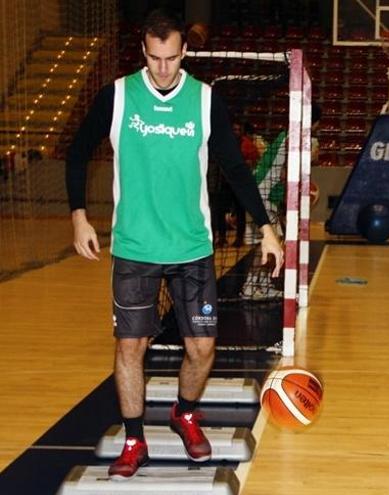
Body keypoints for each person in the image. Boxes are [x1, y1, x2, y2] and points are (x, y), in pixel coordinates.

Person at [65, 9, 284, 481]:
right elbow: (78, 150)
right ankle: (133, 439)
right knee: (130, 346)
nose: (163, 68)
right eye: (154, 57)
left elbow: (235, 167)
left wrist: (265, 225)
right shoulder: (119, 95)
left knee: (202, 348)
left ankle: (184, 413)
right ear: (143, 51)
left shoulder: (205, 101)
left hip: (191, 247)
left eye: (171, 57)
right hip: (135, 246)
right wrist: (79, 216)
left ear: (184, 51)